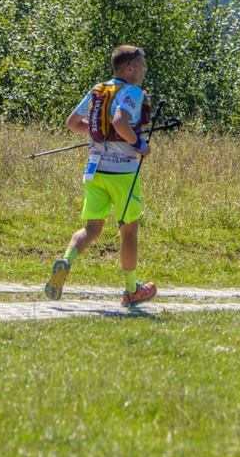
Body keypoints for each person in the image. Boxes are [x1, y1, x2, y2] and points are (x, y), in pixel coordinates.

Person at [44, 44, 157, 307]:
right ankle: (131, 290)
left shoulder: (98, 89)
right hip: (123, 172)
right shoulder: (132, 91)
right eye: (141, 65)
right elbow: (119, 121)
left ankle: (66, 261)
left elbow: (72, 123)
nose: (144, 70)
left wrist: (101, 134)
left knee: (91, 228)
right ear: (129, 68)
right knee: (128, 230)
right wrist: (139, 144)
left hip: (94, 170)